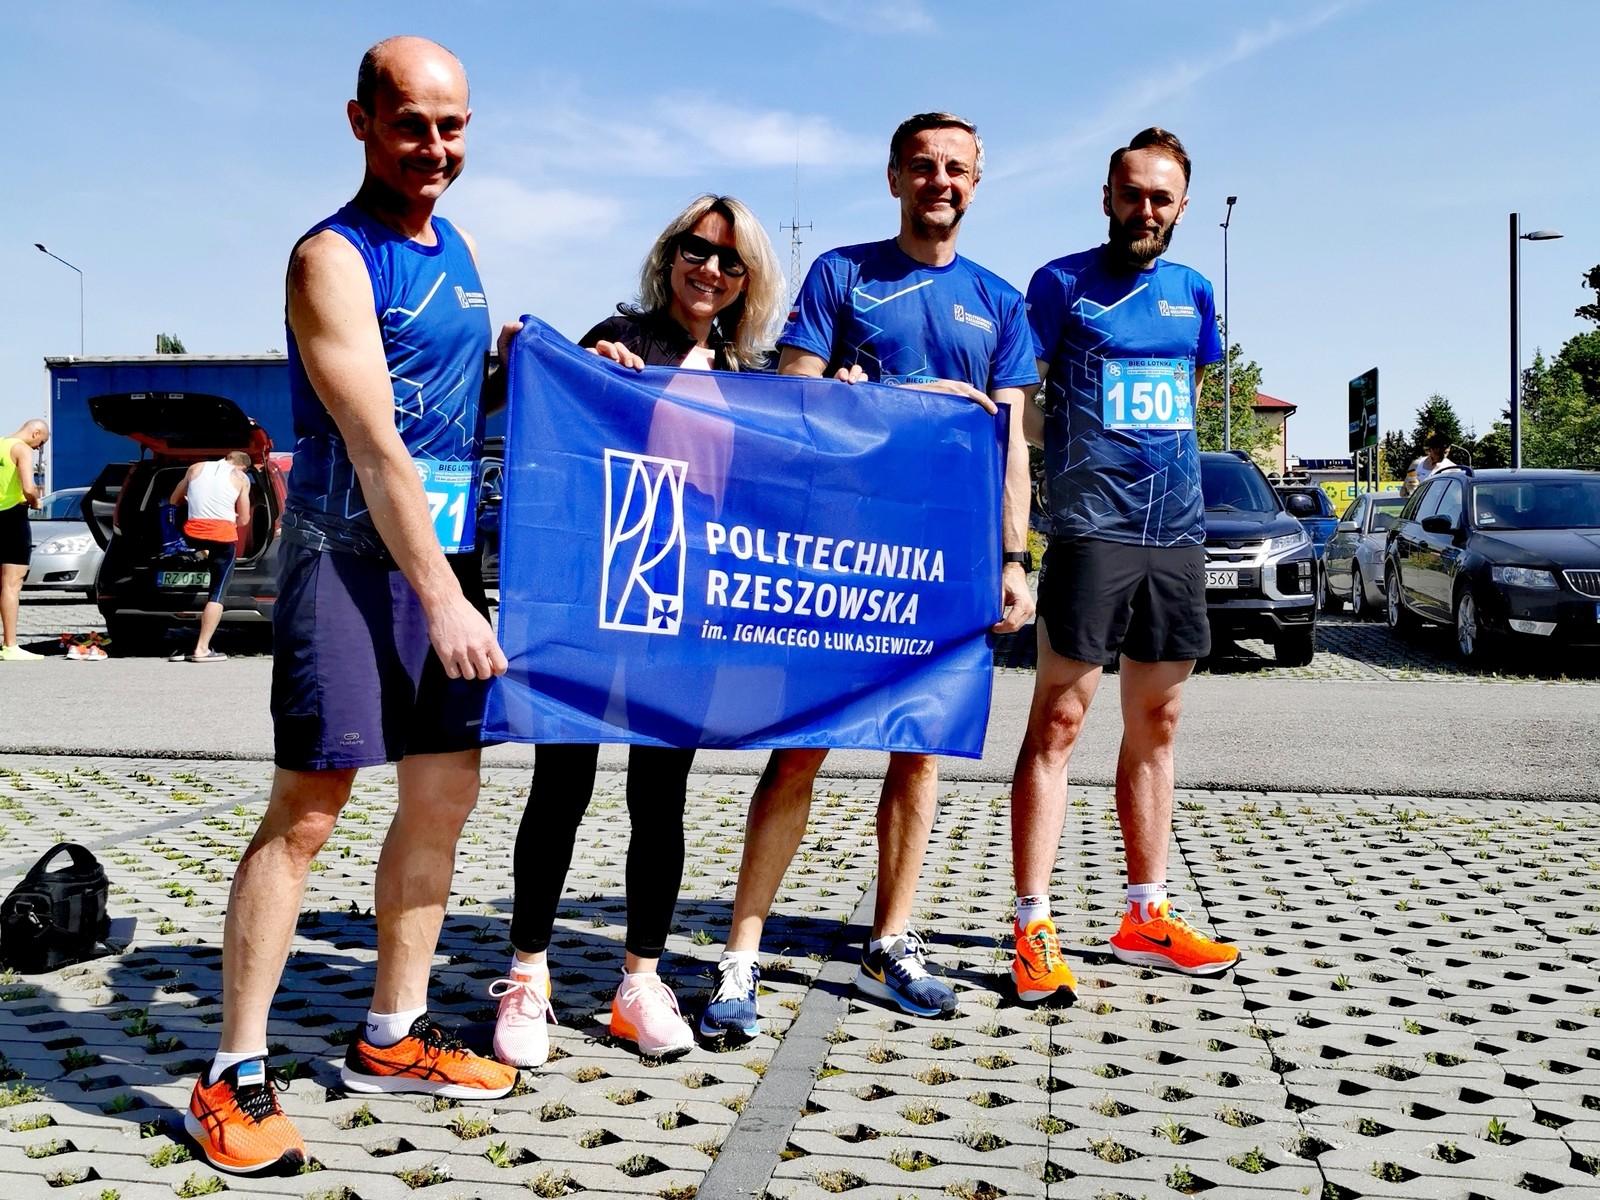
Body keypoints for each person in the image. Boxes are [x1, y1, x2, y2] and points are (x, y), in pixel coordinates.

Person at [185, 37, 513, 1176]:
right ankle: (231, 1073)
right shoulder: (330, 256)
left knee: (444, 797)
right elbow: (378, 448)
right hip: (349, 560)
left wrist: (551, 361)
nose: (435, 146)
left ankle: (392, 1035)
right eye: (411, 122)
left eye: (452, 125)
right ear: (361, 120)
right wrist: (447, 601)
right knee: (309, 812)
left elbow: (453, 397)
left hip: (443, 558)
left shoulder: (459, 249)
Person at [698, 112, 1038, 1038]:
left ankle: (891, 940)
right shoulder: (842, 274)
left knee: (919, 749)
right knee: (801, 748)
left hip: (947, 560)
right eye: (923, 165)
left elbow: (1010, 444)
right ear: (894, 177)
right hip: (840, 554)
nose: (940, 180)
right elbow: (792, 401)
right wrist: (897, 398)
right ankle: (740, 955)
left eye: (957, 167)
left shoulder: (1000, 302)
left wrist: (1014, 559)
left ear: (976, 182)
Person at [490, 194, 783, 1068]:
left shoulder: (751, 373)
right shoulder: (619, 338)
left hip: (688, 611)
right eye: (697, 249)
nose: (710, 269)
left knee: (661, 798)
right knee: (562, 785)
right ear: (670, 254)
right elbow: (527, 404)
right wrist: (550, 359)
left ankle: (640, 983)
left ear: (747, 279)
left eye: (730, 260)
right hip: (592, 597)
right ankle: (528, 976)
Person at [1008, 127, 1237, 1009]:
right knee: (1059, 722)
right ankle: (1033, 925)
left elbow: (1182, 410)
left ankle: (1146, 915)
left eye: (1161, 197)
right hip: (1089, 532)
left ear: (1181, 206)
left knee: (1160, 723)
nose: (1146, 209)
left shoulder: (1195, 293)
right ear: (1107, 197)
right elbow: (1020, 405)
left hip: (1175, 536)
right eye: (1132, 193)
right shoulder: (1059, 284)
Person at [168, 450, 252, 663]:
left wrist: (195, 505)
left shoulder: (195, 468)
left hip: (192, 534)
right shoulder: (241, 478)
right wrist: (229, 516)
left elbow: (174, 500)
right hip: (222, 538)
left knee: (187, 524)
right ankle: (202, 649)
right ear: (242, 466)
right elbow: (243, 520)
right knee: (217, 593)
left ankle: (199, 551)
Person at [0, 420, 49, 661]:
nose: (39, 447)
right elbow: (29, 488)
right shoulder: (22, 449)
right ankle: (10, 646)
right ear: (35, 432)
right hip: (11, 519)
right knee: (11, 584)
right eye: (41, 442)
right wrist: (36, 501)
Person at [1403, 431, 1455, 496]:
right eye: (1438, 453)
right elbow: (1402, 492)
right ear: (1430, 449)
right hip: (1419, 502)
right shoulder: (1416, 464)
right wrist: (1408, 489)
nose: (1442, 456)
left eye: (1445, 452)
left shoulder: (1452, 469)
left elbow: (1457, 496)